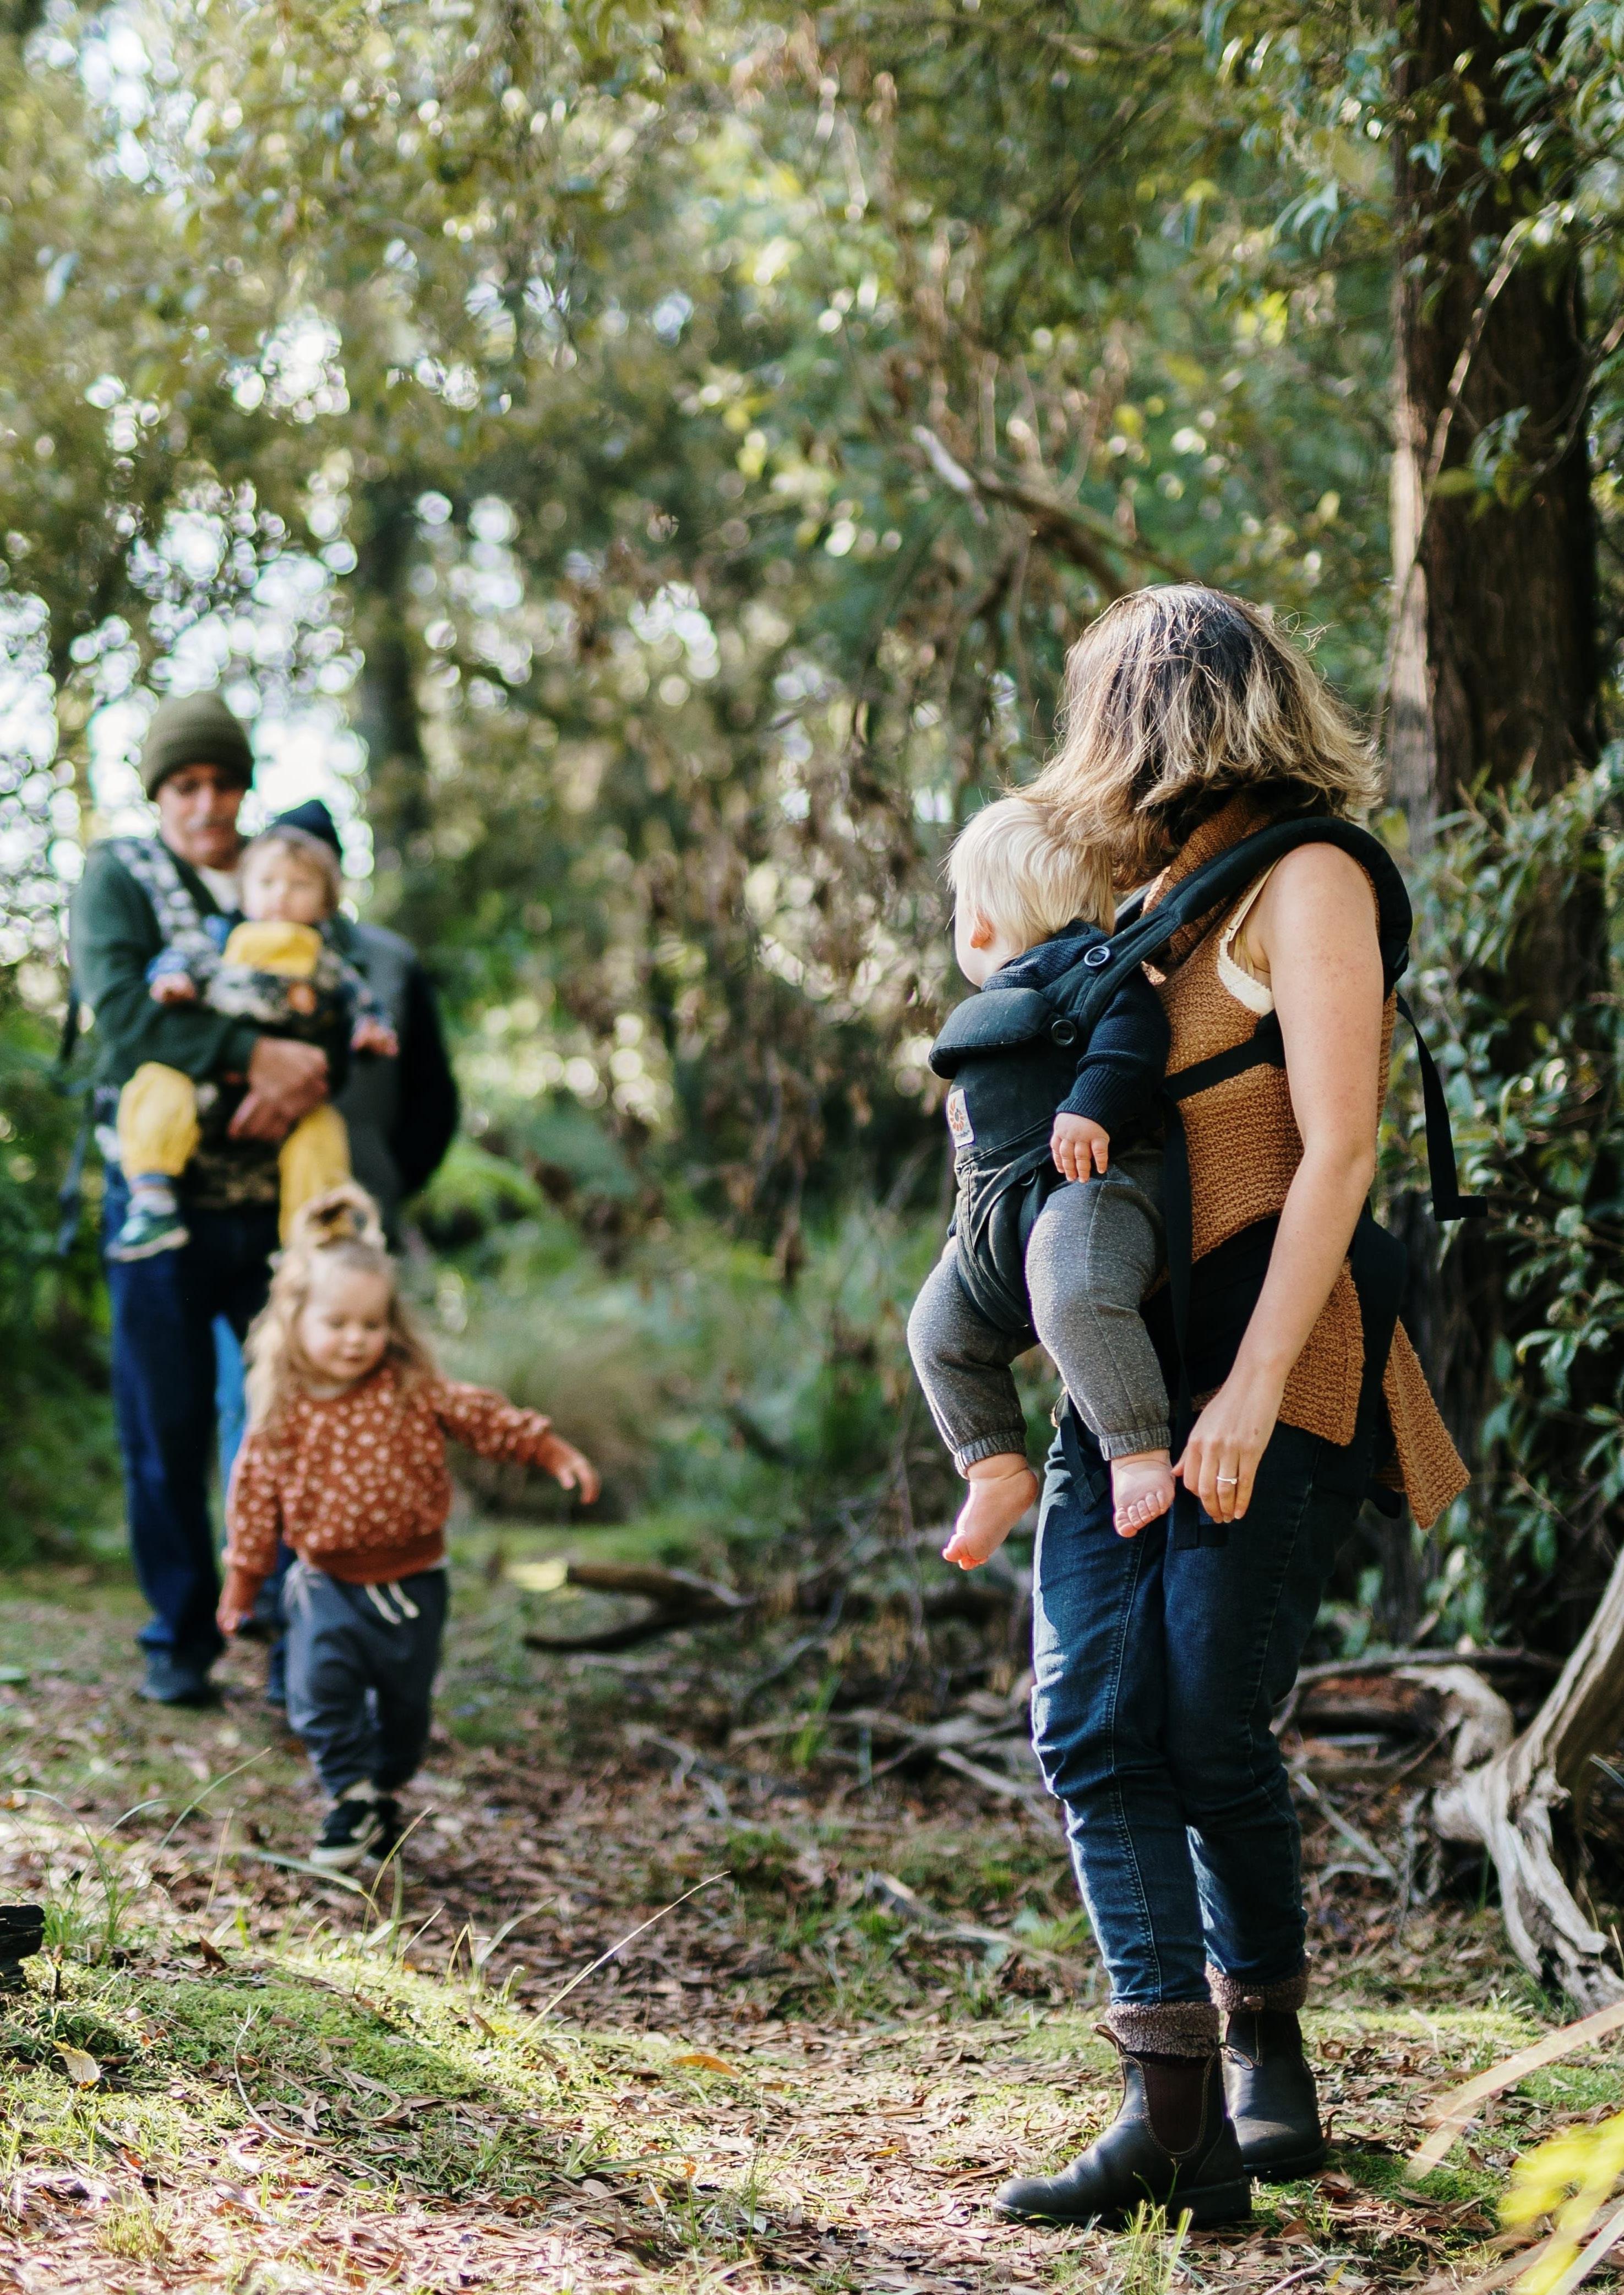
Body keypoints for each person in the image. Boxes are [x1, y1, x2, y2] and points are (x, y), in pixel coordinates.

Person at [984, 587, 1469, 2229]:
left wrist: (1252, 1389)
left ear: (1150, 718)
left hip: (1274, 1350)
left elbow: (1339, 1145)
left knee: (1202, 1717)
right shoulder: (1145, 903)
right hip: (1132, 1373)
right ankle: (1171, 2118)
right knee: (1087, 1716)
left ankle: (1264, 2044)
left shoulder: (1303, 877)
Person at [69, 691, 330, 1706]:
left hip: (273, 1201)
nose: (207, 803)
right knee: (165, 1423)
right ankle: (179, 1636)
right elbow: (123, 1018)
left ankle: (298, 1632)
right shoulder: (122, 876)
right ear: (159, 792)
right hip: (160, 1202)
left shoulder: (280, 871)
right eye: (185, 784)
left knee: (296, 1412)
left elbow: (336, 1001)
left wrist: (307, 1073)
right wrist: (253, 1055)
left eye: (223, 782)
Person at [216, 1186, 600, 1870]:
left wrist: (546, 1448)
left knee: (405, 1711)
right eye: (337, 1322)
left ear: (391, 1323)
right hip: (326, 1582)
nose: (355, 1338)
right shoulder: (283, 1407)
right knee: (319, 1690)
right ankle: (350, 1795)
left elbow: (481, 1416)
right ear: (295, 1317)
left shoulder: (409, 1387)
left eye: (371, 1323)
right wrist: (245, 1577)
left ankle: (382, 1788)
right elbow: (253, 1496)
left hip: (415, 1581)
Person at [906, 794, 1173, 1561]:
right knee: (935, 1330)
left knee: (1071, 1291)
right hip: (996, 1218)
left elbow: (1133, 1035)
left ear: (979, 922)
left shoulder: (1088, 970)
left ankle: (1135, 1448)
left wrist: (1091, 1106)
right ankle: (993, 1469)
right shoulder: (987, 1015)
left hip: (1091, 1193)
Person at [111, 823, 397, 1261]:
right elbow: (180, 959)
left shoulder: (328, 963)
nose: (281, 894)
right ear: (243, 894)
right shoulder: (218, 939)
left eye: (299, 885)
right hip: (207, 1082)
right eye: (267, 883)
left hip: (289, 1106)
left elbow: (362, 1004)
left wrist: (371, 1029)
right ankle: (152, 1195)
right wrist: (174, 980)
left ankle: (313, 1238)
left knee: (323, 1133)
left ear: (326, 903)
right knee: (157, 1084)